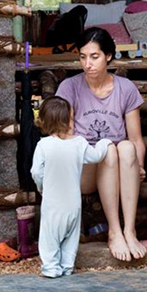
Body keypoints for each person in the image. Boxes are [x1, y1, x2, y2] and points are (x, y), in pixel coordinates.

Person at [56, 28, 147, 261]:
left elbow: (136, 138)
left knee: (126, 147)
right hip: (84, 168)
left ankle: (129, 230)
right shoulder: (70, 87)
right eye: (82, 57)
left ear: (108, 56)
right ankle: (114, 231)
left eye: (94, 56)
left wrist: (139, 166)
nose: (87, 64)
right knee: (107, 148)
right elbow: (66, 137)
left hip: (119, 166)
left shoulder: (125, 89)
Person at [31, 97, 110, 278]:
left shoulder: (43, 146)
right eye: (72, 118)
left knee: (49, 238)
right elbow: (96, 156)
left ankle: (51, 267)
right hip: (73, 205)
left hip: (52, 204)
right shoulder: (79, 143)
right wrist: (105, 142)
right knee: (71, 238)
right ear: (66, 121)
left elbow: (36, 172)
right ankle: (67, 266)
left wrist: (41, 186)